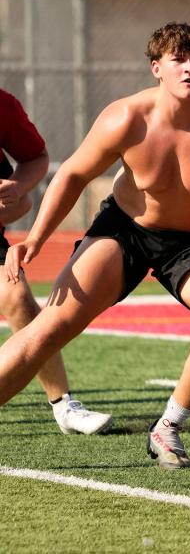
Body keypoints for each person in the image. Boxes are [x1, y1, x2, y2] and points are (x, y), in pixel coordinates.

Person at [0, 23, 190, 469]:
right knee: (47, 329)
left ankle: (169, 427)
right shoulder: (126, 117)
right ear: (156, 68)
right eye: (179, 60)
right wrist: (35, 239)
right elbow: (72, 175)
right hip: (124, 231)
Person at [1, 88, 112, 435]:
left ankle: (63, 405)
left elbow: (35, 158)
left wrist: (17, 189)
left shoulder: (2, 105)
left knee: (18, 299)